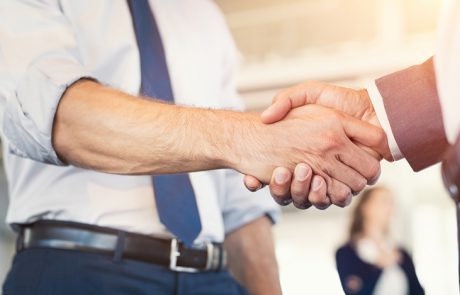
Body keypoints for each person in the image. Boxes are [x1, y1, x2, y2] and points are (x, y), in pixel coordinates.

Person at [0, 1, 385, 295]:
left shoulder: (201, 13)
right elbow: (59, 117)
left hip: (211, 276)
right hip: (78, 270)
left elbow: (237, 199)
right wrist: (249, 138)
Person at [246, 0, 460, 294]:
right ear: (366, 209)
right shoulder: (350, 252)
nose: (390, 210)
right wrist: (373, 112)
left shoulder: (401, 253)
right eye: (385, 203)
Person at [335, 187, 423, 295]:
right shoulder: (346, 253)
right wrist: (380, 267)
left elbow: (418, 292)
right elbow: (355, 292)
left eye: (392, 203)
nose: (390, 208)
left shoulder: (402, 254)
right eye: (384, 201)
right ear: (365, 207)